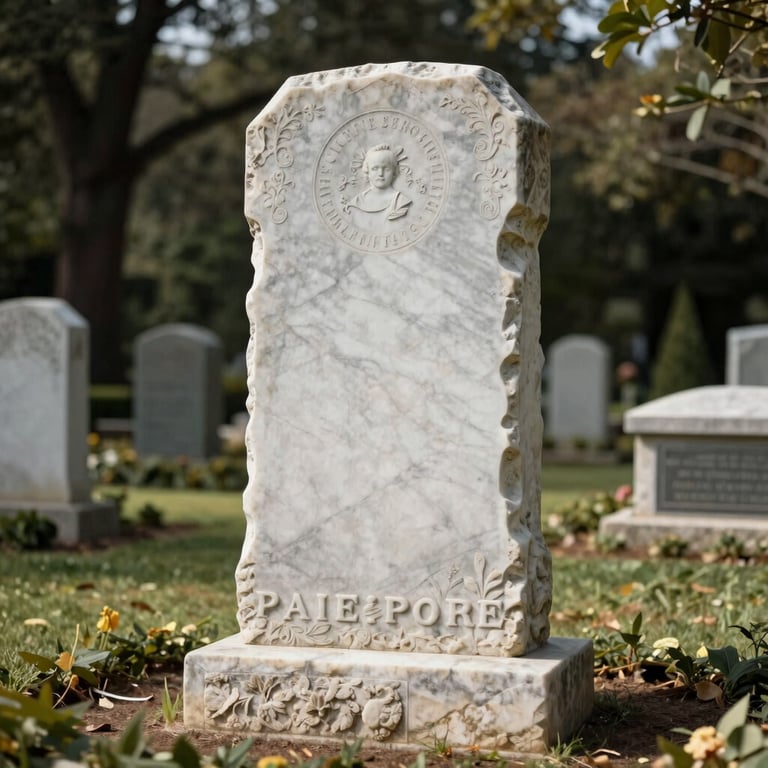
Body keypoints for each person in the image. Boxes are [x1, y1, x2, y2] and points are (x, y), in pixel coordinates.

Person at [347, 144, 411, 222]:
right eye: (375, 168)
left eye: (386, 169)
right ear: (368, 172)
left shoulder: (400, 201)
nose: (380, 173)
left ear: (394, 172)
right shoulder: (357, 201)